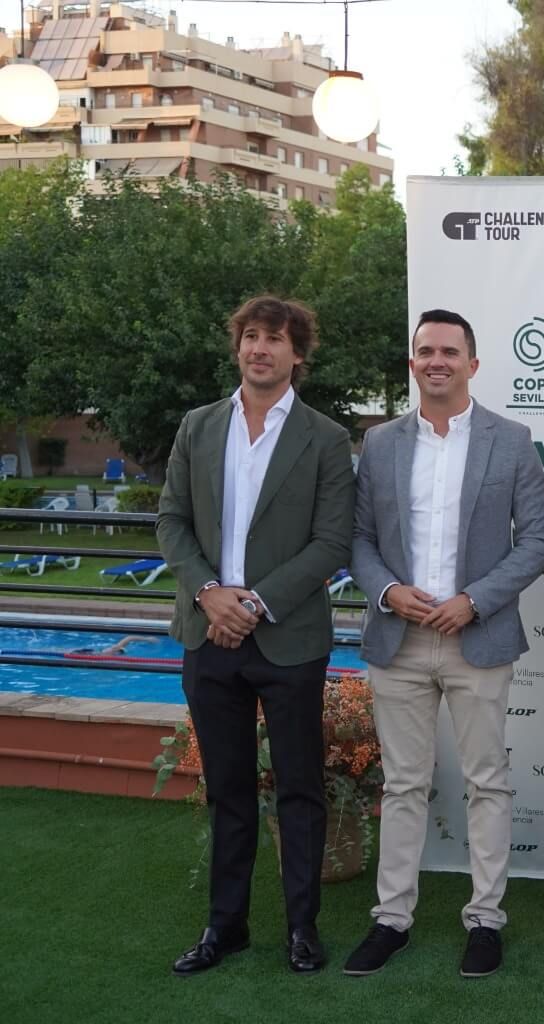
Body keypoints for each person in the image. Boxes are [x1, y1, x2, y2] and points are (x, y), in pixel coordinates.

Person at [342, 309, 544, 979]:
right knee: (404, 784)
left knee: (487, 782)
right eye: (425, 350)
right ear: (413, 362)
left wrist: (475, 600)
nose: (437, 360)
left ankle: (485, 919)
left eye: (450, 351)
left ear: (473, 362)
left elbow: (538, 541)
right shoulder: (378, 444)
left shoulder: (512, 439)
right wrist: (388, 591)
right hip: (398, 637)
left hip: (477, 637)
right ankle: (391, 919)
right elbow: (359, 540)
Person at [156, 295, 354, 976]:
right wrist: (210, 593)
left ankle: (302, 928)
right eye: (250, 336)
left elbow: (331, 542)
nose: (260, 348)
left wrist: (257, 603)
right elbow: (171, 522)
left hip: (289, 640)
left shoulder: (326, 439)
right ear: (237, 346)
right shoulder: (198, 426)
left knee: (300, 789)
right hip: (207, 635)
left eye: (275, 338)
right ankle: (226, 927)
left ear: (298, 354)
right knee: (229, 791)